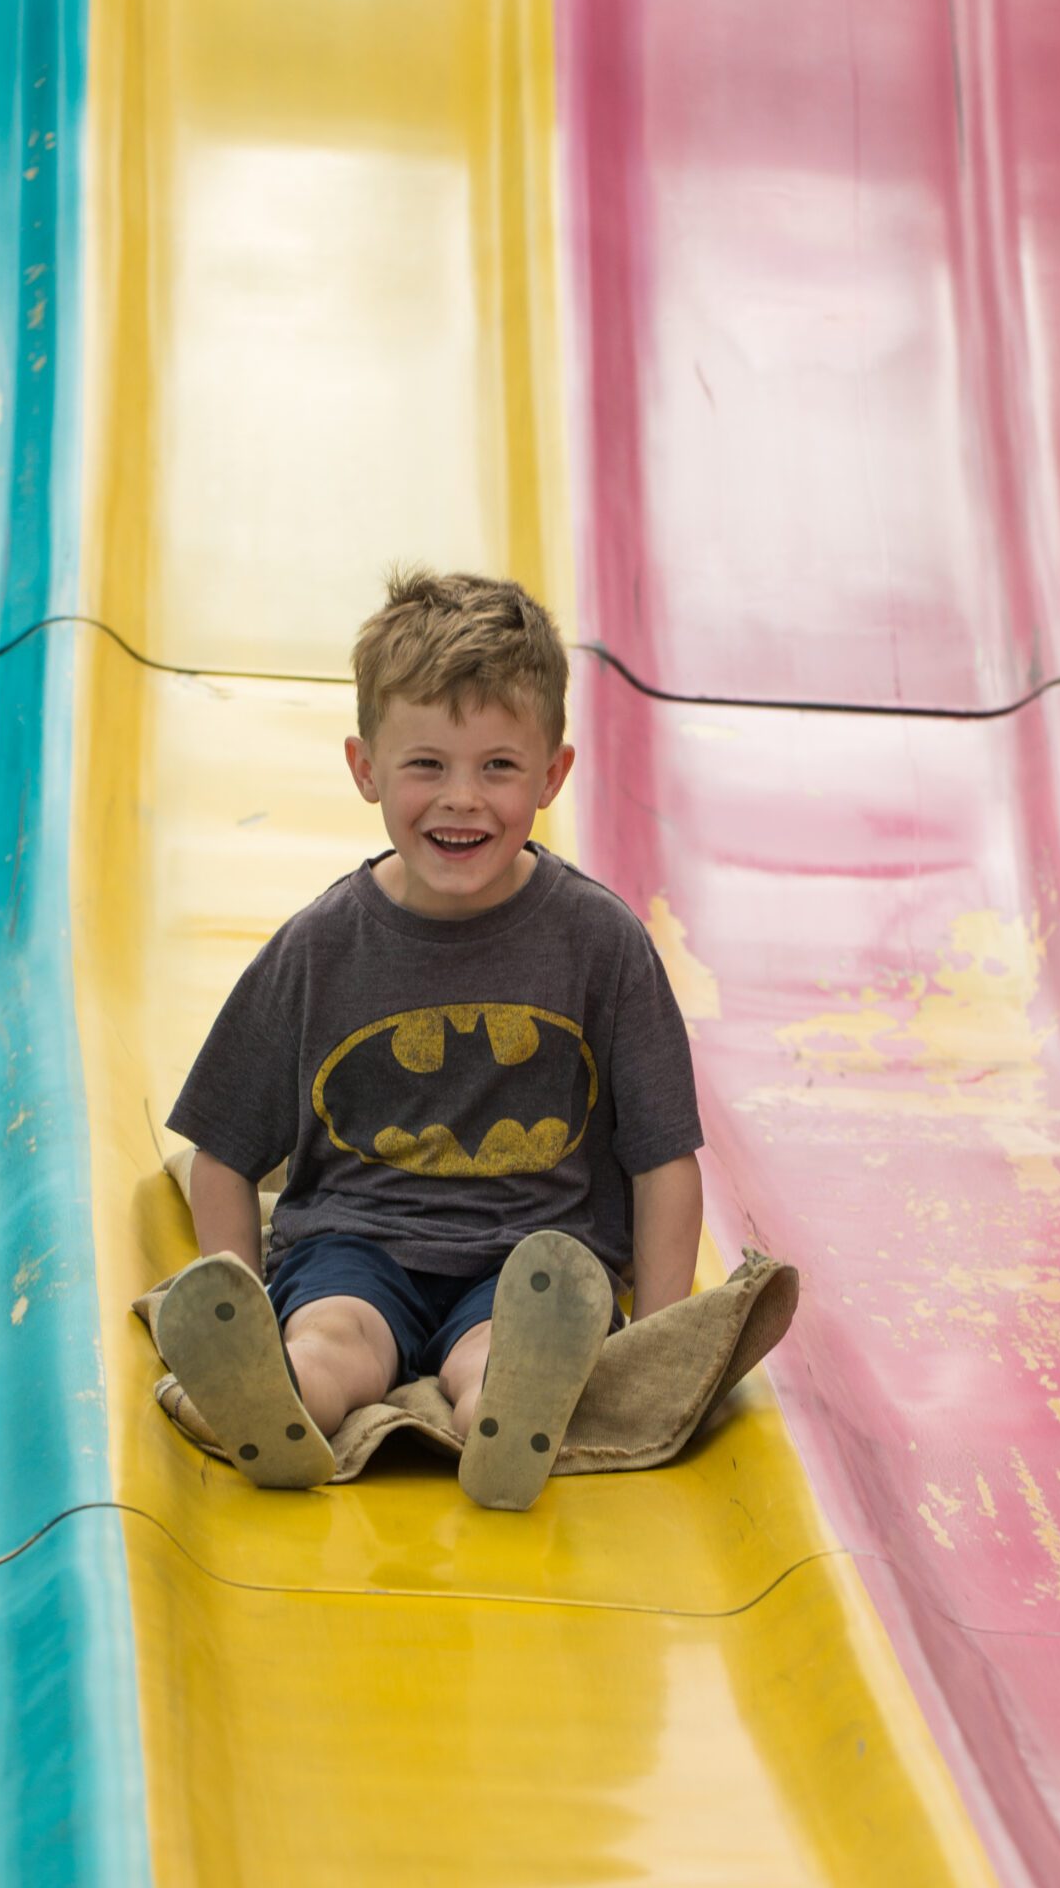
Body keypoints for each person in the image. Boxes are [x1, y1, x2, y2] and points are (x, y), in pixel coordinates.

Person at [158, 567, 704, 1509]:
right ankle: (273, 1392)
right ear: (364, 767)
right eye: (426, 765)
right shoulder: (321, 947)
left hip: (529, 1262)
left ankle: (504, 1417)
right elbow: (222, 1151)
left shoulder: (599, 944)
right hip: (354, 1244)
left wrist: (657, 1346)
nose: (462, 798)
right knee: (332, 1337)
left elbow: (663, 1162)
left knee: (504, 1351)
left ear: (552, 774)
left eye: (498, 767)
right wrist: (238, 1294)